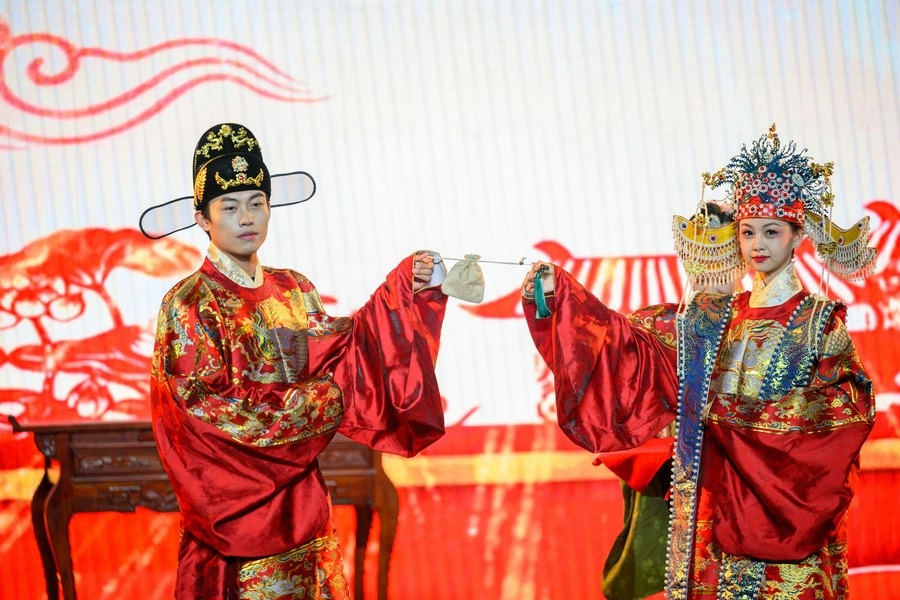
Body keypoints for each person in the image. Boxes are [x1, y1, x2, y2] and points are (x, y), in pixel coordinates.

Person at [521, 125, 877, 599]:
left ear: (797, 236)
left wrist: (731, 416)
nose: (757, 244)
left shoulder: (820, 323)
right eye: (747, 232)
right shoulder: (711, 320)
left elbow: (846, 412)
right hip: (715, 516)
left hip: (787, 521)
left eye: (772, 231)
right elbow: (628, 349)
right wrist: (561, 296)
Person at [148, 123, 449, 599]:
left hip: (306, 506)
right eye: (230, 207)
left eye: (257, 203)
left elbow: (348, 355)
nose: (246, 218)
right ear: (202, 218)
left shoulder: (294, 289)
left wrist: (405, 292)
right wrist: (323, 401)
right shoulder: (189, 304)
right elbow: (202, 416)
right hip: (239, 525)